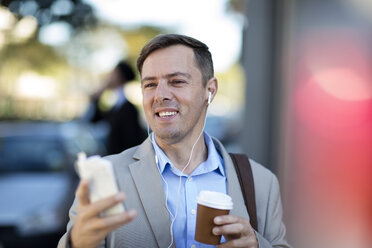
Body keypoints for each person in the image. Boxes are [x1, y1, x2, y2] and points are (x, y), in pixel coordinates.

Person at [58, 34, 291, 248]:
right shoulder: (105, 179)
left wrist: (258, 245)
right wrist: (77, 243)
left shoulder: (261, 182)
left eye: (177, 81)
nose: (160, 95)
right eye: (150, 84)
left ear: (210, 90)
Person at [84, 61, 146, 155]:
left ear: (119, 76)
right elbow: (94, 120)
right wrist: (99, 93)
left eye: (113, 72)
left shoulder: (129, 109)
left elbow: (132, 143)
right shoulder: (115, 107)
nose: (109, 76)